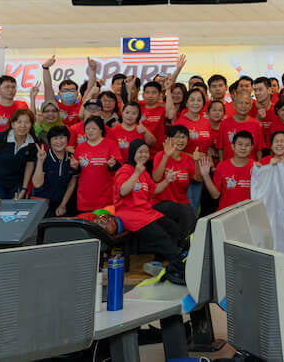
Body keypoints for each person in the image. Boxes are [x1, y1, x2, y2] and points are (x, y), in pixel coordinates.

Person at [113, 142, 188, 285]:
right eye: (140, 152)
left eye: (146, 152)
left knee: (173, 229)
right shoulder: (125, 170)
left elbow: (155, 189)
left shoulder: (144, 173)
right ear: (132, 154)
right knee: (161, 236)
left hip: (146, 212)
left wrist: (167, 180)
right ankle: (180, 268)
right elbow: (123, 191)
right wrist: (136, 173)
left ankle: (158, 264)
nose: (143, 155)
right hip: (130, 215)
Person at [151, 126, 200, 237]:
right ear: (169, 139)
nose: (181, 140)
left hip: (181, 203)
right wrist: (166, 156)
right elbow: (156, 178)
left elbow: (198, 179)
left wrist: (196, 162)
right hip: (160, 203)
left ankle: (186, 245)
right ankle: (184, 244)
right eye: (177, 137)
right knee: (184, 211)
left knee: (191, 216)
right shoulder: (160, 155)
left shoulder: (187, 159)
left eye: (184, 137)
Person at [73, 116, 121, 211]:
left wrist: (113, 165)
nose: (90, 131)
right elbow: (77, 170)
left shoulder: (110, 144)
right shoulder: (80, 147)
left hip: (106, 197)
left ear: (101, 130)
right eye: (87, 129)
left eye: (94, 128)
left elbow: (119, 166)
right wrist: (75, 167)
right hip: (84, 198)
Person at [200, 130, 256, 209]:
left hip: (248, 214)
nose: (243, 148)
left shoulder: (257, 167)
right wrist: (205, 175)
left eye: (247, 145)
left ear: (252, 147)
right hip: (226, 214)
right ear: (233, 146)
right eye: (240, 144)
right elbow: (215, 195)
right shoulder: (222, 166)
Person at [31, 125, 78, 216]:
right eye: (55, 138)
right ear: (50, 141)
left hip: (64, 204)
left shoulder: (72, 157)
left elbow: (72, 184)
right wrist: (40, 161)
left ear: (67, 139)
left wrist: (63, 205)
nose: (59, 142)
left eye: (62, 138)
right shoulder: (44, 156)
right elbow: (37, 184)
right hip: (43, 204)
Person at [218, 94, 266, 160]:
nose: (243, 106)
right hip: (229, 167)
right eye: (240, 103)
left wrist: (259, 168)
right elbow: (221, 148)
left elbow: (259, 149)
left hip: (251, 167)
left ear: (251, 106)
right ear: (234, 105)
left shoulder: (255, 124)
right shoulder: (224, 123)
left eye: (247, 103)